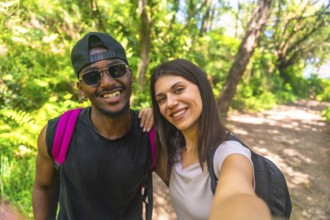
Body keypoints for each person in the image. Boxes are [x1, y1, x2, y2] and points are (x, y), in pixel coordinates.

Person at [32, 32, 154, 220]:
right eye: (91, 77)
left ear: (130, 75)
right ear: (81, 88)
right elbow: (43, 186)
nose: (107, 83)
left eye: (116, 69)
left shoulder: (150, 133)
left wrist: (163, 117)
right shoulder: (58, 133)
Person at [150, 59, 271, 220]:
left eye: (179, 90)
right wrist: (147, 116)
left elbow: (237, 192)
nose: (170, 103)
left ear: (202, 88)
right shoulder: (172, 150)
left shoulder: (229, 153)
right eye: (161, 99)